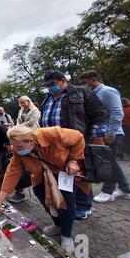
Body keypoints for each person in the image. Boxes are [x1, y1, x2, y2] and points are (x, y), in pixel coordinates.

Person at [0, 126, 87, 255]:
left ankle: (66, 234)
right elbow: (12, 172)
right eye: (14, 146)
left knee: (65, 203)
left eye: (19, 147)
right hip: (40, 176)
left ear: (31, 141)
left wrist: (74, 160)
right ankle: (58, 224)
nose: (16, 150)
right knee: (43, 197)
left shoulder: (52, 134)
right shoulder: (18, 151)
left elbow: (78, 137)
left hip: (63, 172)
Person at [40, 70, 109, 220]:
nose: (50, 87)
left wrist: (98, 138)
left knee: (81, 176)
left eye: (53, 84)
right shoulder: (47, 99)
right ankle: (68, 203)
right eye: (48, 85)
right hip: (54, 145)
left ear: (63, 80)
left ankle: (83, 206)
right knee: (65, 174)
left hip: (77, 141)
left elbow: (99, 114)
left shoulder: (81, 93)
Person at [78, 71, 130, 202]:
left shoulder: (108, 91)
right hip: (102, 133)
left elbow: (117, 112)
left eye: (84, 82)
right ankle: (125, 190)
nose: (83, 85)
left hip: (110, 133)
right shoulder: (93, 94)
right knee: (111, 161)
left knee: (108, 162)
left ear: (93, 79)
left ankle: (108, 191)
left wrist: (111, 132)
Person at [9, 96, 41, 203]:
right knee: (21, 163)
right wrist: (16, 129)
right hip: (21, 137)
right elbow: (18, 121)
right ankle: (20, 190)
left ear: (29, 101)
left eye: (24, 102)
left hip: (32, 136)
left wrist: (18, 128)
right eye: (20, 103)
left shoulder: (35, 111)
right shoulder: (20, 111)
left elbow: (32, 122)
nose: (22, 104)